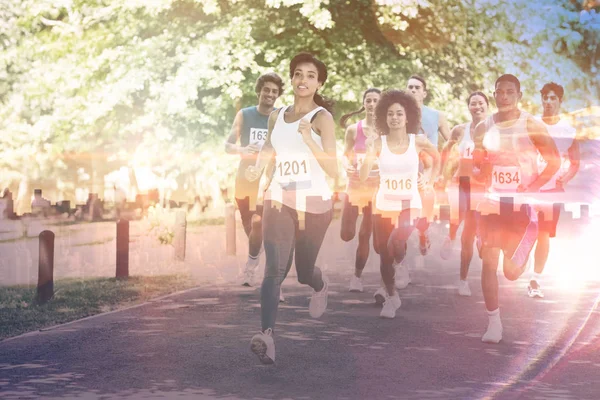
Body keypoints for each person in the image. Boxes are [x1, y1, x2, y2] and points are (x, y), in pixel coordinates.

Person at [246, 52, 338, 364]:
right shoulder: (277, 114)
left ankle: (320, 283)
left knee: (303, 272)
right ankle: (267, 336)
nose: (303, 80)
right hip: (280, 197)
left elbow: (334, 170)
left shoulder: (322, 118)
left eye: (311, 75)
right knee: (275, 269)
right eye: (298, 73)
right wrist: (257, 170)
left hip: (314, 201)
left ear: (319, 83)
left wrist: (309, 140)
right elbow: (270, 147)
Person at [473, 74, 560, 343]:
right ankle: (493, 323)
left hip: (521, 206)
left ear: (519, 95)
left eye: (510, 92)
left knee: (511, 272)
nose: (504, 97)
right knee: (488, 259)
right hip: (491, 204)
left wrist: (532, 185)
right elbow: (477, 166)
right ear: (495, 94)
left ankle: (525, 252)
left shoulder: (531, 125)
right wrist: (481, 170)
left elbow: (554, 162)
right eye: (499, 92)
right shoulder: (483, 127)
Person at [360, 89, 440, 318]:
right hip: (384, 203)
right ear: (384, 117)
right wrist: (367, 155)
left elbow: (437, 157)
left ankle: (404, 261)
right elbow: (364, 176)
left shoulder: (418, 141)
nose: (394, 118)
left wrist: (430, 179)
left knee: (397, 239)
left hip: (409, 202)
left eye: (399, 114)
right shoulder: (377, 143)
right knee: (384, 254)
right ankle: (392, 296)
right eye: (390, 114)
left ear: (408, 118)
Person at [225, 72, 284, 287]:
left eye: (274, 91)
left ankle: (253, 270)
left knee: (259, 223)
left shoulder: (280, 117)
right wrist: (242, 148)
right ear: (259, 91)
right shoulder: (245, 115)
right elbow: (227, 145)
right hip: (245, 179)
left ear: (278, 95)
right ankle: (253, 260)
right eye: (266, 90)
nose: (270, 94)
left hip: (268, 180)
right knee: (251, 229)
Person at [527, 82, 580, 298]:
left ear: (560, 101)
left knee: (543, 235)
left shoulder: (568, 130)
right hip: (529, 187)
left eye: (552, 98)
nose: (548, 102)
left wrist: (564, 179)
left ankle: (534, 280)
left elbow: (575, 162)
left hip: (551, 191)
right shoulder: (531, 124)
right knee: (522, 231)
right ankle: (516, 266)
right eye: (545, 98)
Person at [438, 92, 490, 296]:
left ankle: (463, 280)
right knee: (457, 217)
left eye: (481, 103)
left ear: (487, 106)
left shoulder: (494, 131)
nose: (477, 106)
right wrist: (442, 173)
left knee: (469, 233)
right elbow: (446, 148)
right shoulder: (460, 130)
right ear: (469, 107)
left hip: (482, 188)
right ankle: (450, 236)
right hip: (461, 182)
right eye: (473, 103)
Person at [339, 88, 382, 292]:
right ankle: (357, 274)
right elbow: (344, 154)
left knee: (365, 234)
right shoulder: (353, 130)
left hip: (375, 189)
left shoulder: (386, 131)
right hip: (355, 187)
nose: (372, 104)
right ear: (363, 103)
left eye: (376, 101)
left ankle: (356, 277)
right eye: (369, 100)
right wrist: (345, 165)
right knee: (347, 234)